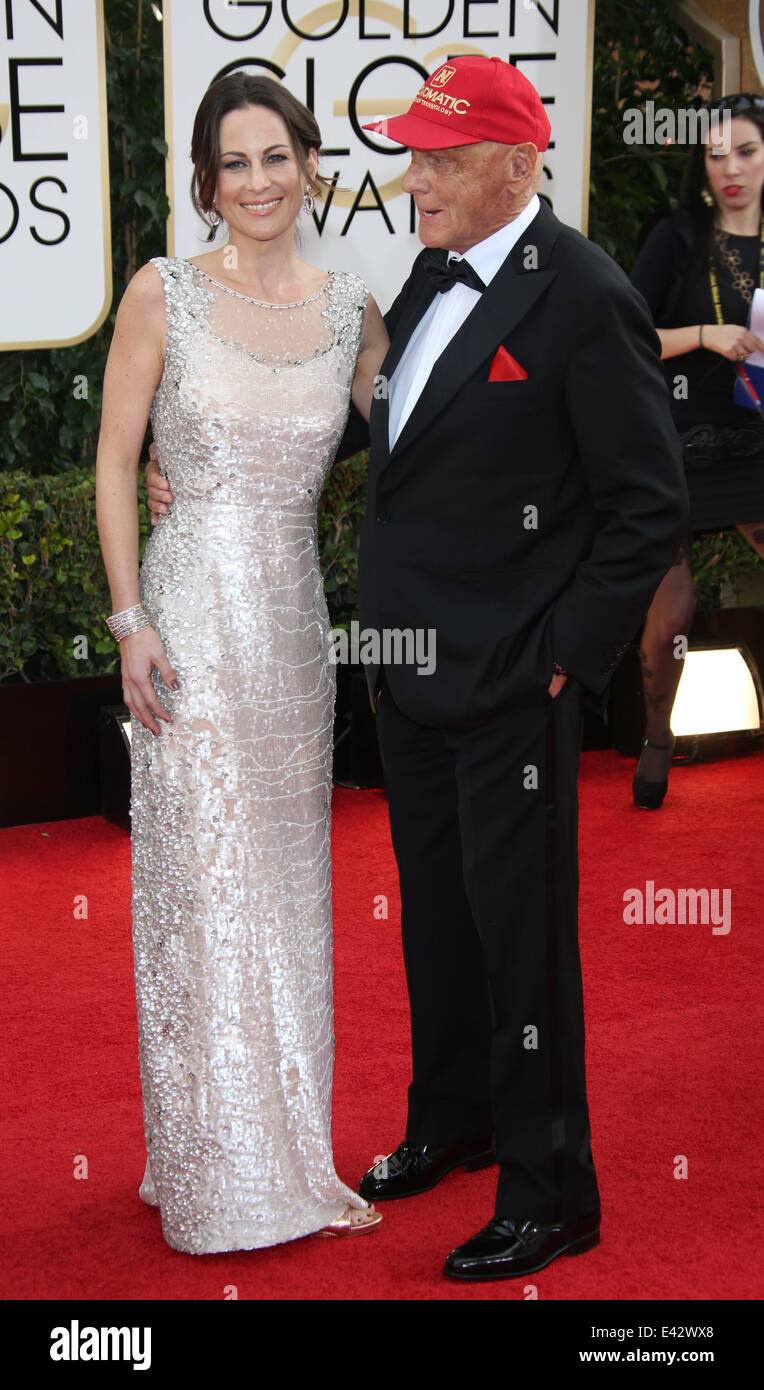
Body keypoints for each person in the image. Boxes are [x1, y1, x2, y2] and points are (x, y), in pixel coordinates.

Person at [147, 56, 689, 1279]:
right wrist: (195, 453)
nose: (415, 179)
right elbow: (381, 418)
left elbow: (646, 509)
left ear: (517, 165)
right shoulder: (432, 273)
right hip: (406, 671)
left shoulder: (582, 295)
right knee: (439, 923)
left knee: (521, 938)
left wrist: (562, 660)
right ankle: (453, 1120)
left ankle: (553, 1188)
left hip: (510, 683)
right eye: (411, 155)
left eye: (441, 160)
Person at [96, 72, 389, 1254]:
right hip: (187, 626)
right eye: (235, 163)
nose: (258, 182)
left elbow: (424, 446)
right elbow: (115, 464)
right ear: (205, 182)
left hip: (288, 629)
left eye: (277, 156)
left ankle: (282, 1151)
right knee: (202, 889)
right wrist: (127, 623)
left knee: (286, 885)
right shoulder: (162, 293)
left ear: (309, 163)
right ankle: (217, 1173)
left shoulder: (349, 313)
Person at [629, 93, 764, 808]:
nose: (731, 169)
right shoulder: (677, 237)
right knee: (670, 618)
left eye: (746, 151)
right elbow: (626, 337)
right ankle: (657, 737)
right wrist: (704, 335)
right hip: (678, 442)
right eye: (716, 155)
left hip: (760, 439)